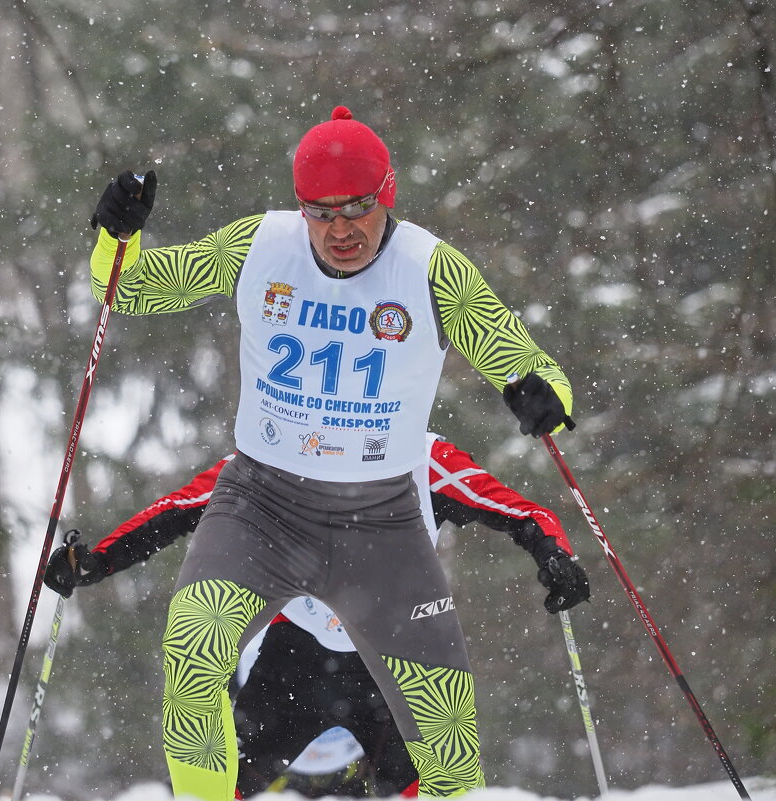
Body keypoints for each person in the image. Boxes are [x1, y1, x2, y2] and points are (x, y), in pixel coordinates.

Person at [80, 105, 579, 799]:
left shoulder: (433, 270)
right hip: (262, 504)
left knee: (451, 753)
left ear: (388, 194)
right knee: (193, 653)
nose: (341, 229)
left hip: (381, 522)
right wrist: (115, 235)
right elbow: (125, 287)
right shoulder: (260, 245)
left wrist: (542, 394)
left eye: (357, 208)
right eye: (321, 212)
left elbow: (523, 360)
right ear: (300, 207)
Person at [45, 434, 587, 798]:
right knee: (227, 776)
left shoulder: (420, 454)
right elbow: (183, 507)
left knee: (433, 777)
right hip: (297, 656)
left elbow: (521, 510)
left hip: (391, 657)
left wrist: (554, 554)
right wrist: (96, 562)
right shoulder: (276, 447)